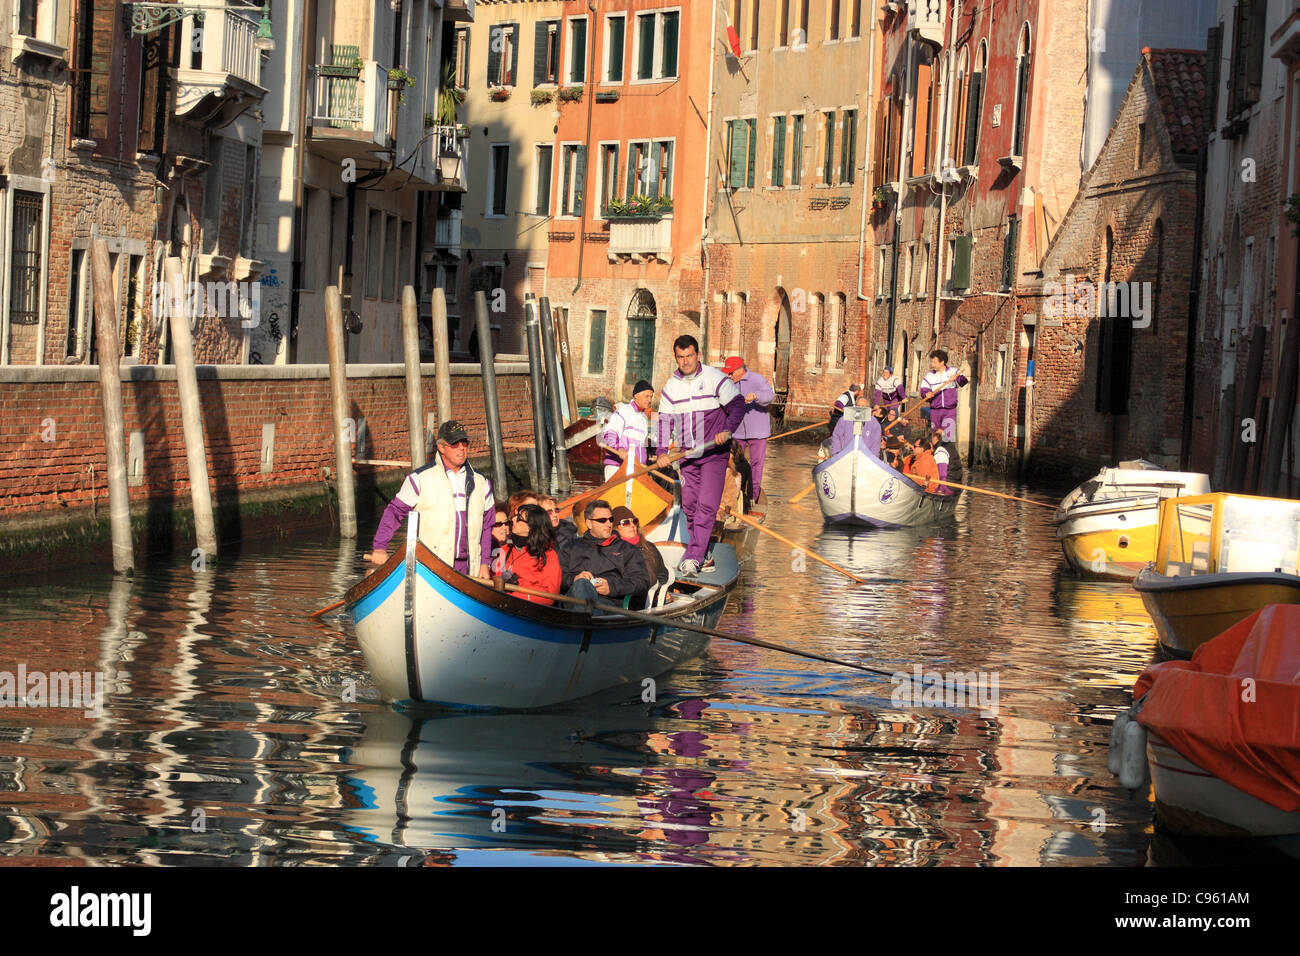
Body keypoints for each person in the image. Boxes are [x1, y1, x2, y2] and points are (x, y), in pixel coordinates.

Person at [653, 335, 745, 577]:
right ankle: (703, 554)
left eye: (689, 356)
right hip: (687, 455)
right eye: (681, 357)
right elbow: (664, 423)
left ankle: (692, 557)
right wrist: (662, 452)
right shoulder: (671, 386)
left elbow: (738, 406)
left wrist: (727, 430)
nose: (685, 361)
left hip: (714, 454)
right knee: (690, 506)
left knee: (706, 505)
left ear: (697, 355)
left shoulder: (715, 378)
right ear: (676, 358)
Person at [367, 420, 494, 578]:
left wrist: (485, 563)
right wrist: (380, 547)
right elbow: (394, 512)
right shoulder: (419, 479)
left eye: (464, 442)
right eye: (455, 443)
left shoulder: (482, 482)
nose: (461, 447)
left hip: (471, 568)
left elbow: (488, 526)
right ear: (441, 447)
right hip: (431, 568)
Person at [562, 499, 651, 602]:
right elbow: (557, 578)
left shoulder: (627, 549)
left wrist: (611, 588)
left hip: (608, 603)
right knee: (581, 586)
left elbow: (641, 582)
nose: (609, 524)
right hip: (574, 599)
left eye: (611, 519)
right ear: (589, 523)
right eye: (602, 520)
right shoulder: (571, 547)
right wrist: (574, 579)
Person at [721, 355, 774, 501]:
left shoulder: (757, 379)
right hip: (737, 432)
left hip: (758, 432)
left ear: (740, 370)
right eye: (728, 373)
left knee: (757, 465)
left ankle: (752, 497)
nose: (729, 375)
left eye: (731, 372)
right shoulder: (728, 382)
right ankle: (733, 496)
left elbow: (770, 396)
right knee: (733, 463)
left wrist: (756, 396)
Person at [498, 504, 562, 604]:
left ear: (531, 527)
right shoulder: (504, 550)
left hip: (530, 611)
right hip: (501, 605)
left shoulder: (549, 555)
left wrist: (514, 595)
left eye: (519, 518)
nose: (513, 520)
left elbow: (549, 596)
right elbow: (495, 583)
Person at [612, 505, 668, 608]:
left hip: (648, 601)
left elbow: (663, 573)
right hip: (621, 603)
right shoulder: (612, 549)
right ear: (615, 527)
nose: (632, 525)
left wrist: (655, 589)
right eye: (626, 522)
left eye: (634, 521)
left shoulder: (648, 547)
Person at [600, 381, 655, 481]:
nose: (650, 400)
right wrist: (620, 449)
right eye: (647, 396)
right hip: (617, 467)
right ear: (636, 396)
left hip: (636, 470)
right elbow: (610, 434)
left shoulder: (643, 418)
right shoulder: (623, 411)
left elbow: (643, 446)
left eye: (651, 397)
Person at [919, 349, 969, 444]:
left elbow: (963, 381)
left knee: (948, 437)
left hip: (949, 410)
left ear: (942, 362)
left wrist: (957, 378)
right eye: (932, 362)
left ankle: (947, 455)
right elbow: (923, 390)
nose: (932, 364)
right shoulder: (929, 376)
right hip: (935, 410)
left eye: (934, 362)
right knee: (934, 436)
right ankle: (934, 454)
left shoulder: (954, 372)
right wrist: (927, 394)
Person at [929, 427, 954, 496]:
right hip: (952, 482)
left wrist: (941, 489)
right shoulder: (948, 446)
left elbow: (942, 472)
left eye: (932, 438)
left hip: (949, 486)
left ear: (936, 438)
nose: (931, 441)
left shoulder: (940, 450)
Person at [489, 505, 510, 573]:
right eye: (498, 524)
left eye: (506, 523)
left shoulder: (515, 550)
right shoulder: (483, 555)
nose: (504, 527)